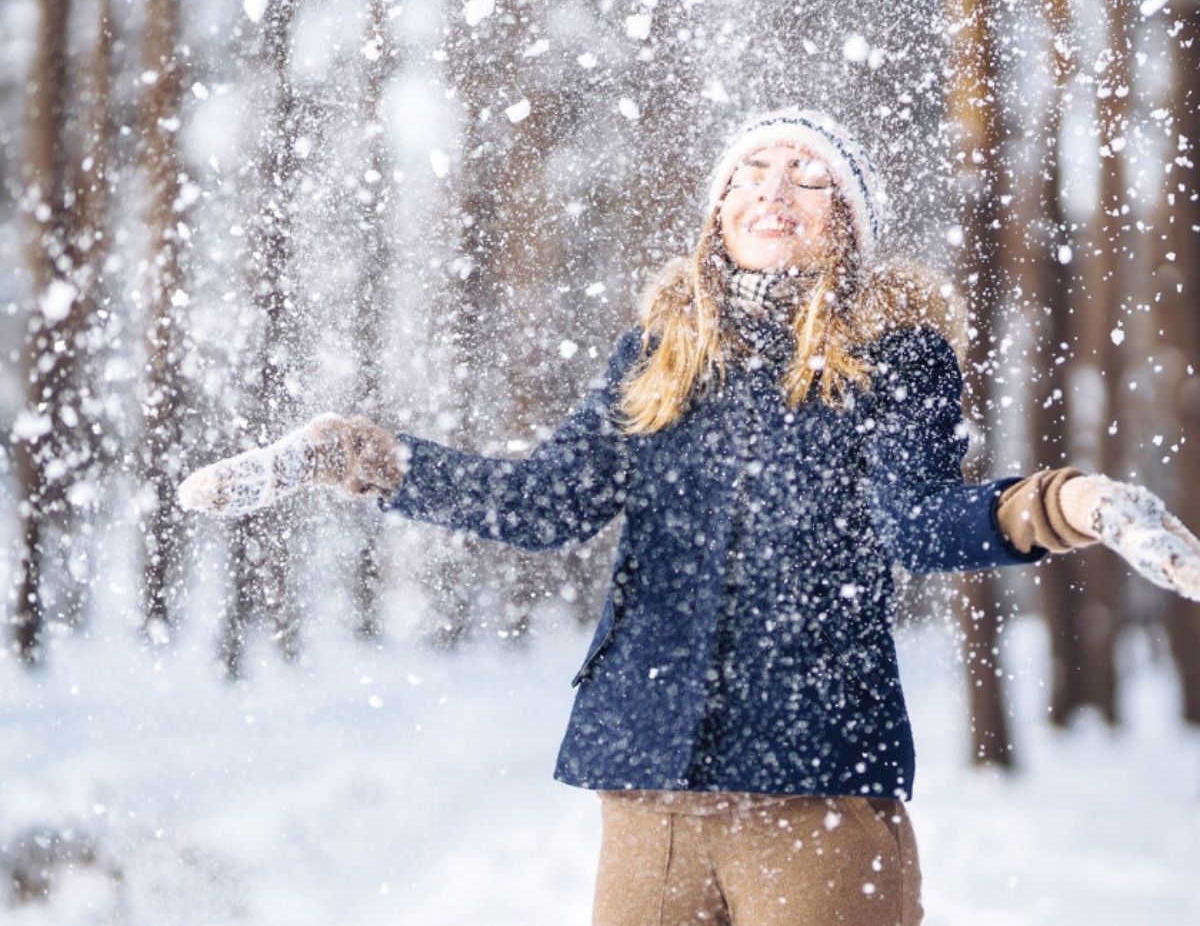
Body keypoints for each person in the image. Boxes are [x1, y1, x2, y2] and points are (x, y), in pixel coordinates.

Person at [178, 107, 1200, 925]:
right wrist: (360, 456)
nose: (774, 190)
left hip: (818, 792)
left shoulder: (896, 355)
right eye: (751, 174)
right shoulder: (659, 356)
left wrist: (1070, 502)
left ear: (847, 220)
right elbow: (546, 503)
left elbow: (919, 523)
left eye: (809, 176)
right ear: (717, 213)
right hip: (650, 792)